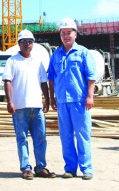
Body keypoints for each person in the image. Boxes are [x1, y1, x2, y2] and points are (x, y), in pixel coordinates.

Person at [2, 29, 56, 180]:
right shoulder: (12, 61)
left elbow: (43, 82)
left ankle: (40, 167)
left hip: (36, 106)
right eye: (24, 41)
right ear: (19, 44)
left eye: (30, 42)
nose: (27, 44)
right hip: (19, 107)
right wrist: (10, 101)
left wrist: (46, 99)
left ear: (33, 44)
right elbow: (7, 81)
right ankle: (26, 168)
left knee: (40, 137)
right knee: (22, 138)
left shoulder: (38, 62)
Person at [48, 18, 96, 180]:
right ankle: (70, 168)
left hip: (79, 101)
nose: (66, 36)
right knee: (66, 136)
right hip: (62, 101)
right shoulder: (56, 55)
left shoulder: (83, 52)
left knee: (83, 135)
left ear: (75, 34)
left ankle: (87, 168)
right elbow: (51, 77)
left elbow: (91, 77)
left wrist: (90, 96)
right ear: (60, 35)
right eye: (63, 33)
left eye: (69, 33)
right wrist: (52, 97)